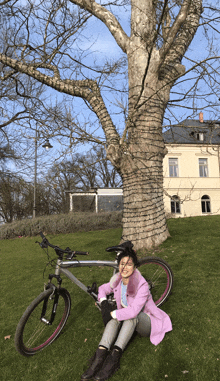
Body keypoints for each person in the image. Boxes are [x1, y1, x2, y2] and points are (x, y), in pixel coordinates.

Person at [81, 245, 172, 381]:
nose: (125, 267)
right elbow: (102, 289)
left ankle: (113, 360)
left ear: (135, 267)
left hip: (147, 321)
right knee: (115, 318)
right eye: (122, 264)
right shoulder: (118, 280)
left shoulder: (142, 285)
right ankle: (99, 357)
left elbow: (134, 311)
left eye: (129, 264)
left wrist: (113, 313)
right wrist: (104, 303)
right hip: (129, 316)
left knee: (129, 316)